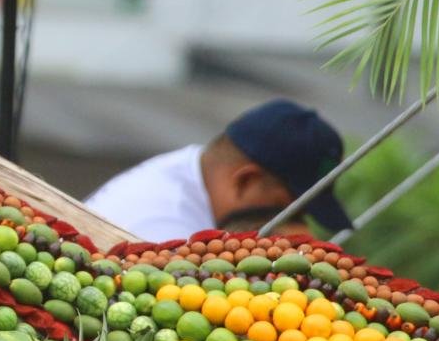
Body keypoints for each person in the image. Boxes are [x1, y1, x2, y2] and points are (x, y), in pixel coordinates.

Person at [83, 99, 351, 242]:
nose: (290, 227)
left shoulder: (193, 169)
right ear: (246, 180)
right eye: (284, 211)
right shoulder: (164, 233)